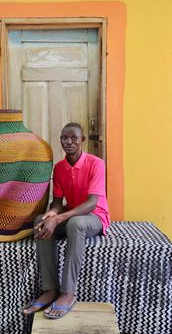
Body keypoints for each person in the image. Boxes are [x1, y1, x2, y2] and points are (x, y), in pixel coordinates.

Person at [22, 122, 110, 319]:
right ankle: (51, 290)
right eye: (64, 138)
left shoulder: (97, 164)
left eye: (73, 138)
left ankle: (68, 293)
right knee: (39, 221)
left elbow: (91, 203)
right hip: (71, 214)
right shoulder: (59, 168)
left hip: (95, 216)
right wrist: (51, 215)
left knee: (76, 223)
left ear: (82, 141)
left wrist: (59, 217)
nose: (68, 142)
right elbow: (57, 202)